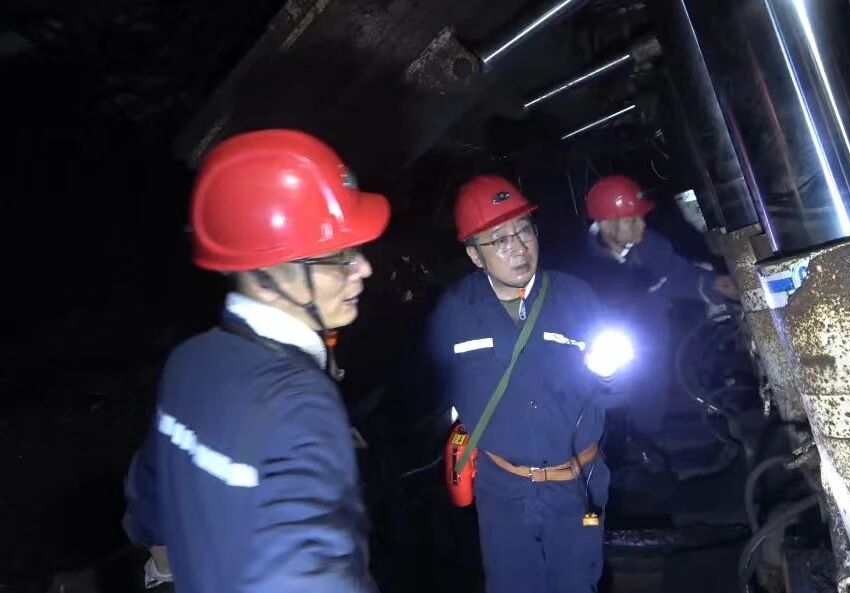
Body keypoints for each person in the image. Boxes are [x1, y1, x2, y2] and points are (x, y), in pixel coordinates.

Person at [123, 129, 390, 593]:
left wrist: (169, 568)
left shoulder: (188, 361)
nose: (363, 268)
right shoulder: (299, 404)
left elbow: (150, 499)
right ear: (265, 276)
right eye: (338, 256)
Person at [426, 175, 621, 593]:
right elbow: (437, 387)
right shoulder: (454, 314)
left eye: (524, 231)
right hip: (502, 492)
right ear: (475, 255)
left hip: (578, 487)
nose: (518, 247)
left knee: (577, 584)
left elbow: (622, 387)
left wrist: (610, 374)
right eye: (499, 239)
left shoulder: (577, 298)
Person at [579, 174, 736, 440]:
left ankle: (646, 443)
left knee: (652, 385)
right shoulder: (582, 261)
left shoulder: (650, 246)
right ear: (606, 224)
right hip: (603, 348)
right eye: (632, 221)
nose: (642, 225)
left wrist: (716, 283)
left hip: (650, 340)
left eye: (641, 218)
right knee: (603, 399)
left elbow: (680, 275)